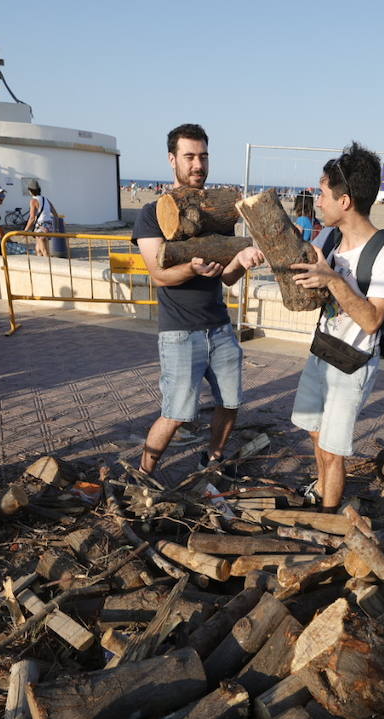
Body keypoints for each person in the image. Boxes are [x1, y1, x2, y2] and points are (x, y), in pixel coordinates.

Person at [131, 123, 264, 475]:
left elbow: (228, 277)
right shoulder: (152, 213)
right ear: (172, 160)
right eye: (189, 156)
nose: (197, 165)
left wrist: (243, 260)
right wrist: (191, 267)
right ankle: (142, 475)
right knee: (175, 413)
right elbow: (159, 276)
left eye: (203, 156)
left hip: (219, 328)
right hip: (179, 332)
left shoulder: (217, 214)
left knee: (231, 403)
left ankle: (213, 461)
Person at [288, 142, 384, 513]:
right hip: (322, 350)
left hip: (352, 363)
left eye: (322, 194)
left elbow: (372, 320)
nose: (317, 201)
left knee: (334, 452)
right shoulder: (330, 238)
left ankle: (327, 519)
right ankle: (322, 488)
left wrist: (332, 278)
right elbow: (308, 279)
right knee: (315, 433)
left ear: (345, 201)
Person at [23, 180, 56, 257]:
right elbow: (54, 211)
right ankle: (41, 266)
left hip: (40, 227)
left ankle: (48, 267)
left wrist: (25, 230)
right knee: (38, 249)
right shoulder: (45, 199)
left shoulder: (33, 201)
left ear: (30, 191)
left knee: (45, 252)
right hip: (48, 225)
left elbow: (31, 217)